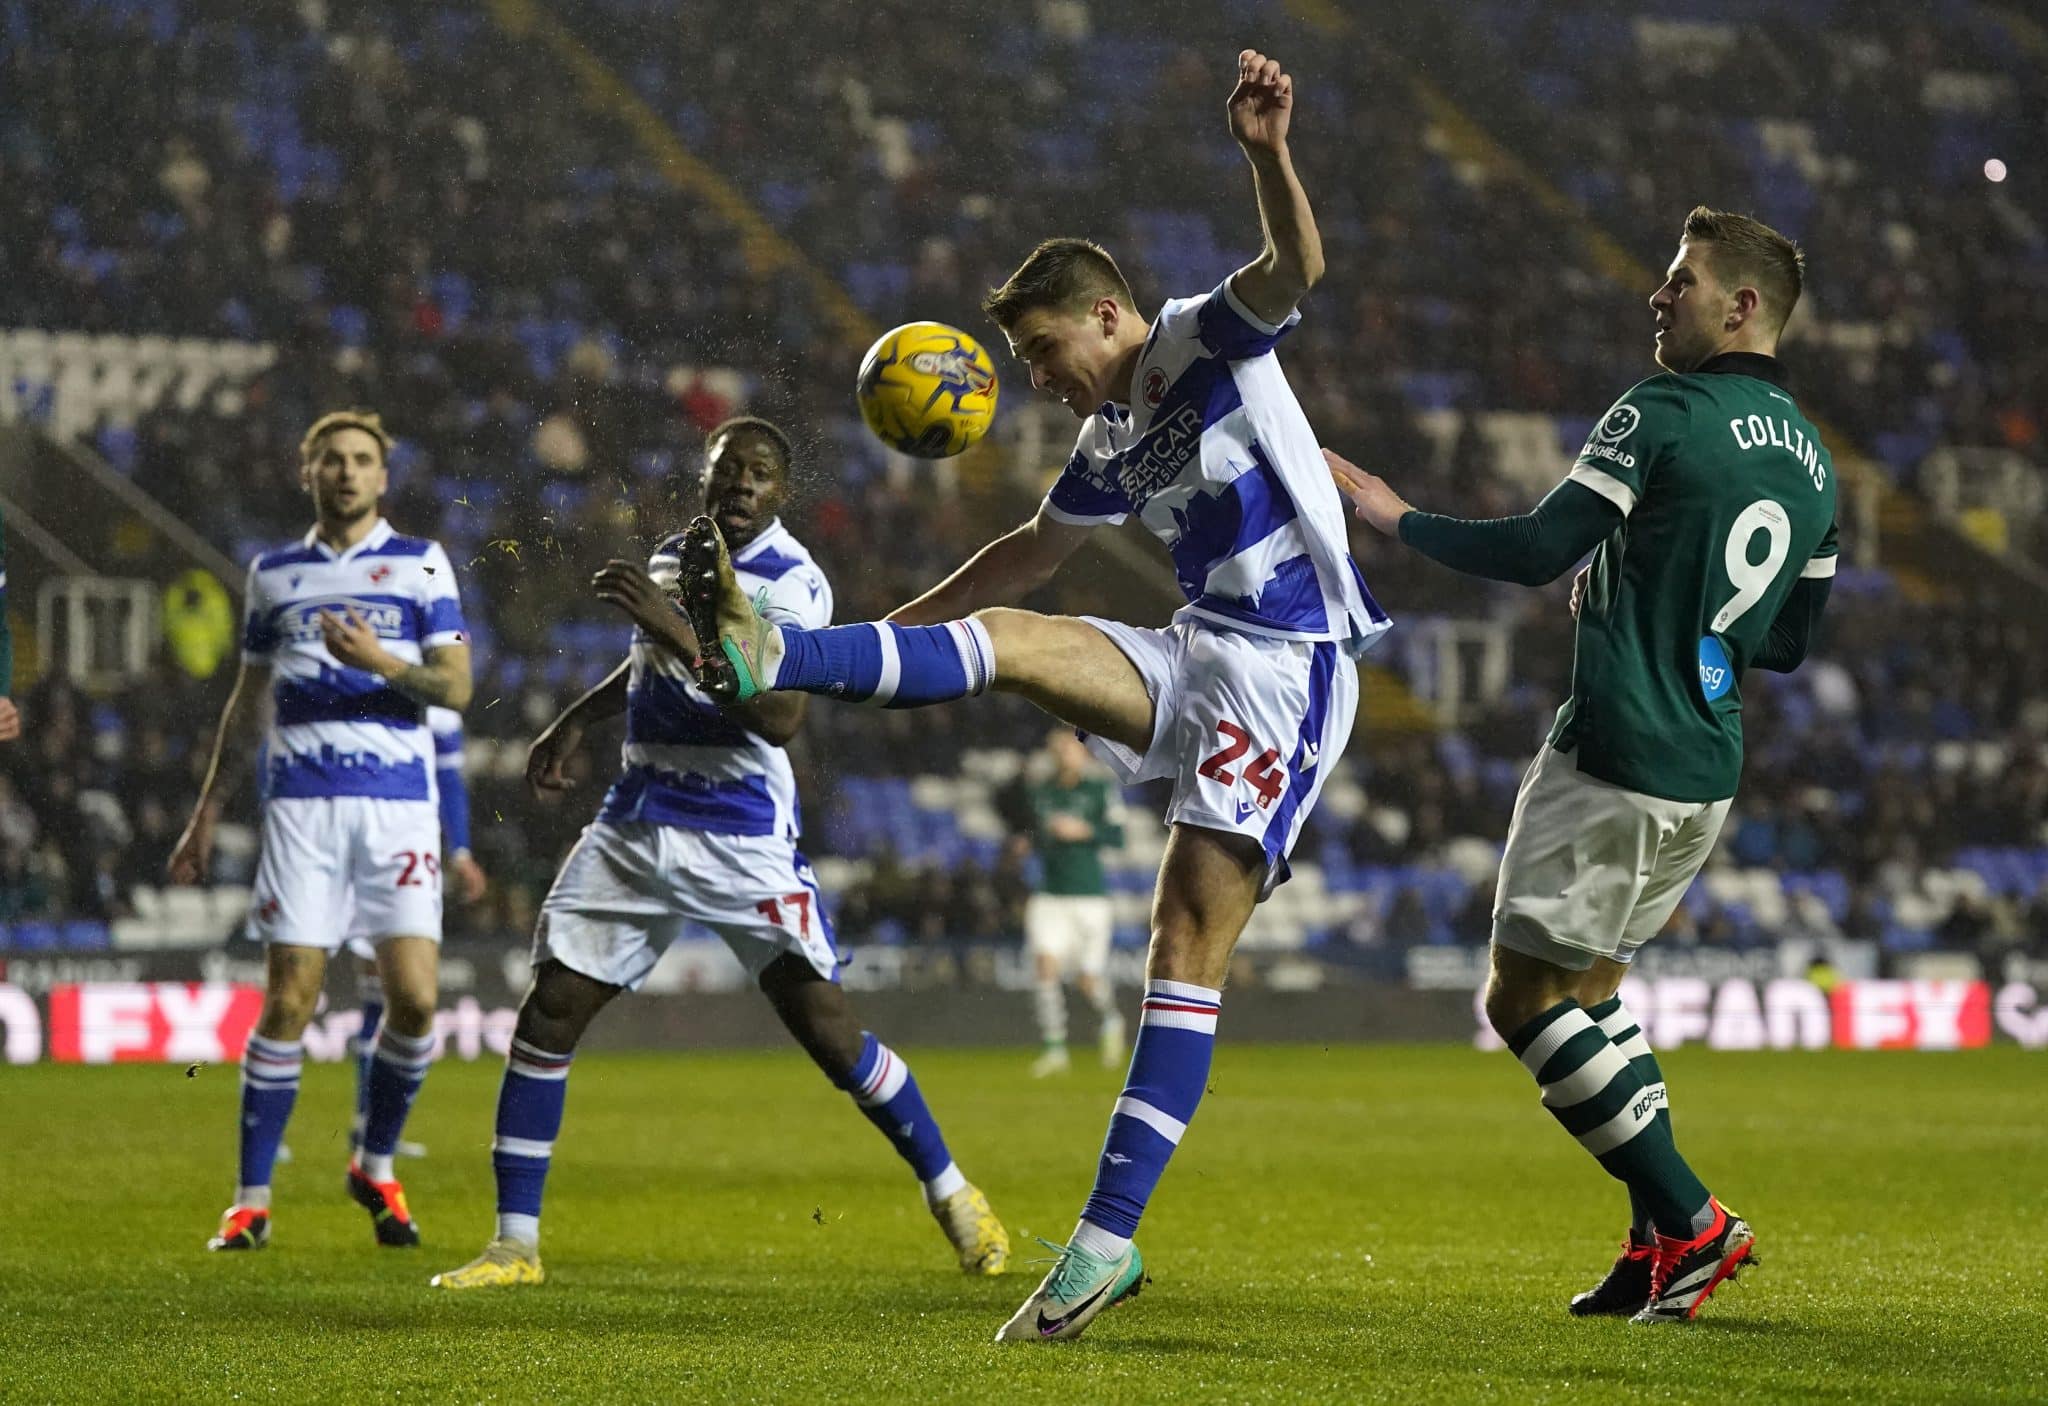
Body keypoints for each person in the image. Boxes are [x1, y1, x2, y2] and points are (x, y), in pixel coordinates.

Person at [674, 53, 1386, 1342]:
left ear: (1108, 314)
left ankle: (1103, 1246)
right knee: (1006, 630)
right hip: (1203, 640)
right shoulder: (1108, 441)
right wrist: (878, 634)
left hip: (1289, 663)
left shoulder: (1196, 336)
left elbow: (1295, 273)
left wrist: (1264, 152)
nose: (1035, 377)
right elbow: (1025, 555)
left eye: (1041, 350)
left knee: (1181, 947)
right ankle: (781, 657)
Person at [1326, 206, 1835, 1323]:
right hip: (1702, 762)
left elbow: (1534, 546)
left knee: (1517, 998)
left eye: (1680, 281)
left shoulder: (1660, 410)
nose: (1657, 297)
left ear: (1738, 306)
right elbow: (1785, 643)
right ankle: (1654, 1245)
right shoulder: (1814, 460)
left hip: (1614, 744)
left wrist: (1392, 513)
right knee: (1593, 990)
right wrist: (1653, 580)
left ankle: (1693, 1220)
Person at [430, 417, 1008, 1290]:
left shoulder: (792, 582)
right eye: (727, 468)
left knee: (829, 1034)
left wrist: (669, 623)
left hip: (740, 830)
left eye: (761, 473)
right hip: (638, 816)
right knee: (548, 1014)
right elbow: (646, 669)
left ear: (782, 492)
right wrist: (575, 722)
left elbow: (778, 716)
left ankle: (955, 1195)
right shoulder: (672, 556)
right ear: (703, 477)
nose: (741, 483)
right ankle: (515, 1245)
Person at [169, 409, 472, 1252]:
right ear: (308, 473)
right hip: (301, 807)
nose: (346, 471)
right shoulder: (274, 574)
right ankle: (251, 1200)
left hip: (398, 806)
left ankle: (373, 1165)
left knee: (414, 1001)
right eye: (331, 459)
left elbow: (456, 688)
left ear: (384, 476)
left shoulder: (420, 565)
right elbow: (247, 701)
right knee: (291, 998)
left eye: (361, 459)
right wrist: (207, 810)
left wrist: (379, 662)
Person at [344, 708, 488, 1159]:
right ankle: (369, 1128)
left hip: (410, 851)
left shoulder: (440, 709)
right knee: (380, 995)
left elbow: (449, 784)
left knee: (388, 997)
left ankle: (369, 1124)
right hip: (367, 844)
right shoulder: (370, 687)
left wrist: (460, 851)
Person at [1015, 726, 1127, 1077]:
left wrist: (1085, 831)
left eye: (1070, 748)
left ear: (1082, 753)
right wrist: (1028, 843)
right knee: (1045, 966)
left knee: (1088, 979)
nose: (1064, 754)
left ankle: (1111, 1021)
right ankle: (1055, 1049)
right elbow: (1033, 832)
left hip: (1090, 896)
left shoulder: (1099, 790)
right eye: (1058, 749)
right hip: (1050, 894)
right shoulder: (1041, 791)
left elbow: (1118, 836)